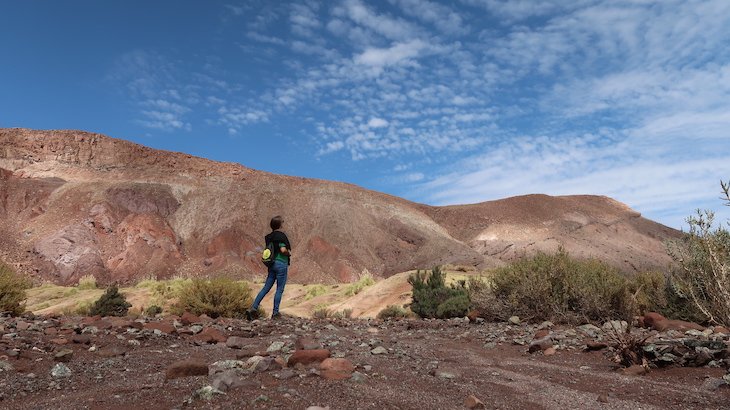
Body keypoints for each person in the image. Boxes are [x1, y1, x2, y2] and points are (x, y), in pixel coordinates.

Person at [247, 215, 291, 320]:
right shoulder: (281, 236)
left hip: (272, 264)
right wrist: (288, 253)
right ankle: (275, 313)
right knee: (279, 289)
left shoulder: (269, 237)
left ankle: (253, 308)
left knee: (266, 287)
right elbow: (283, 249)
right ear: (280, 226)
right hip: (281, 264)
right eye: (283, 223)